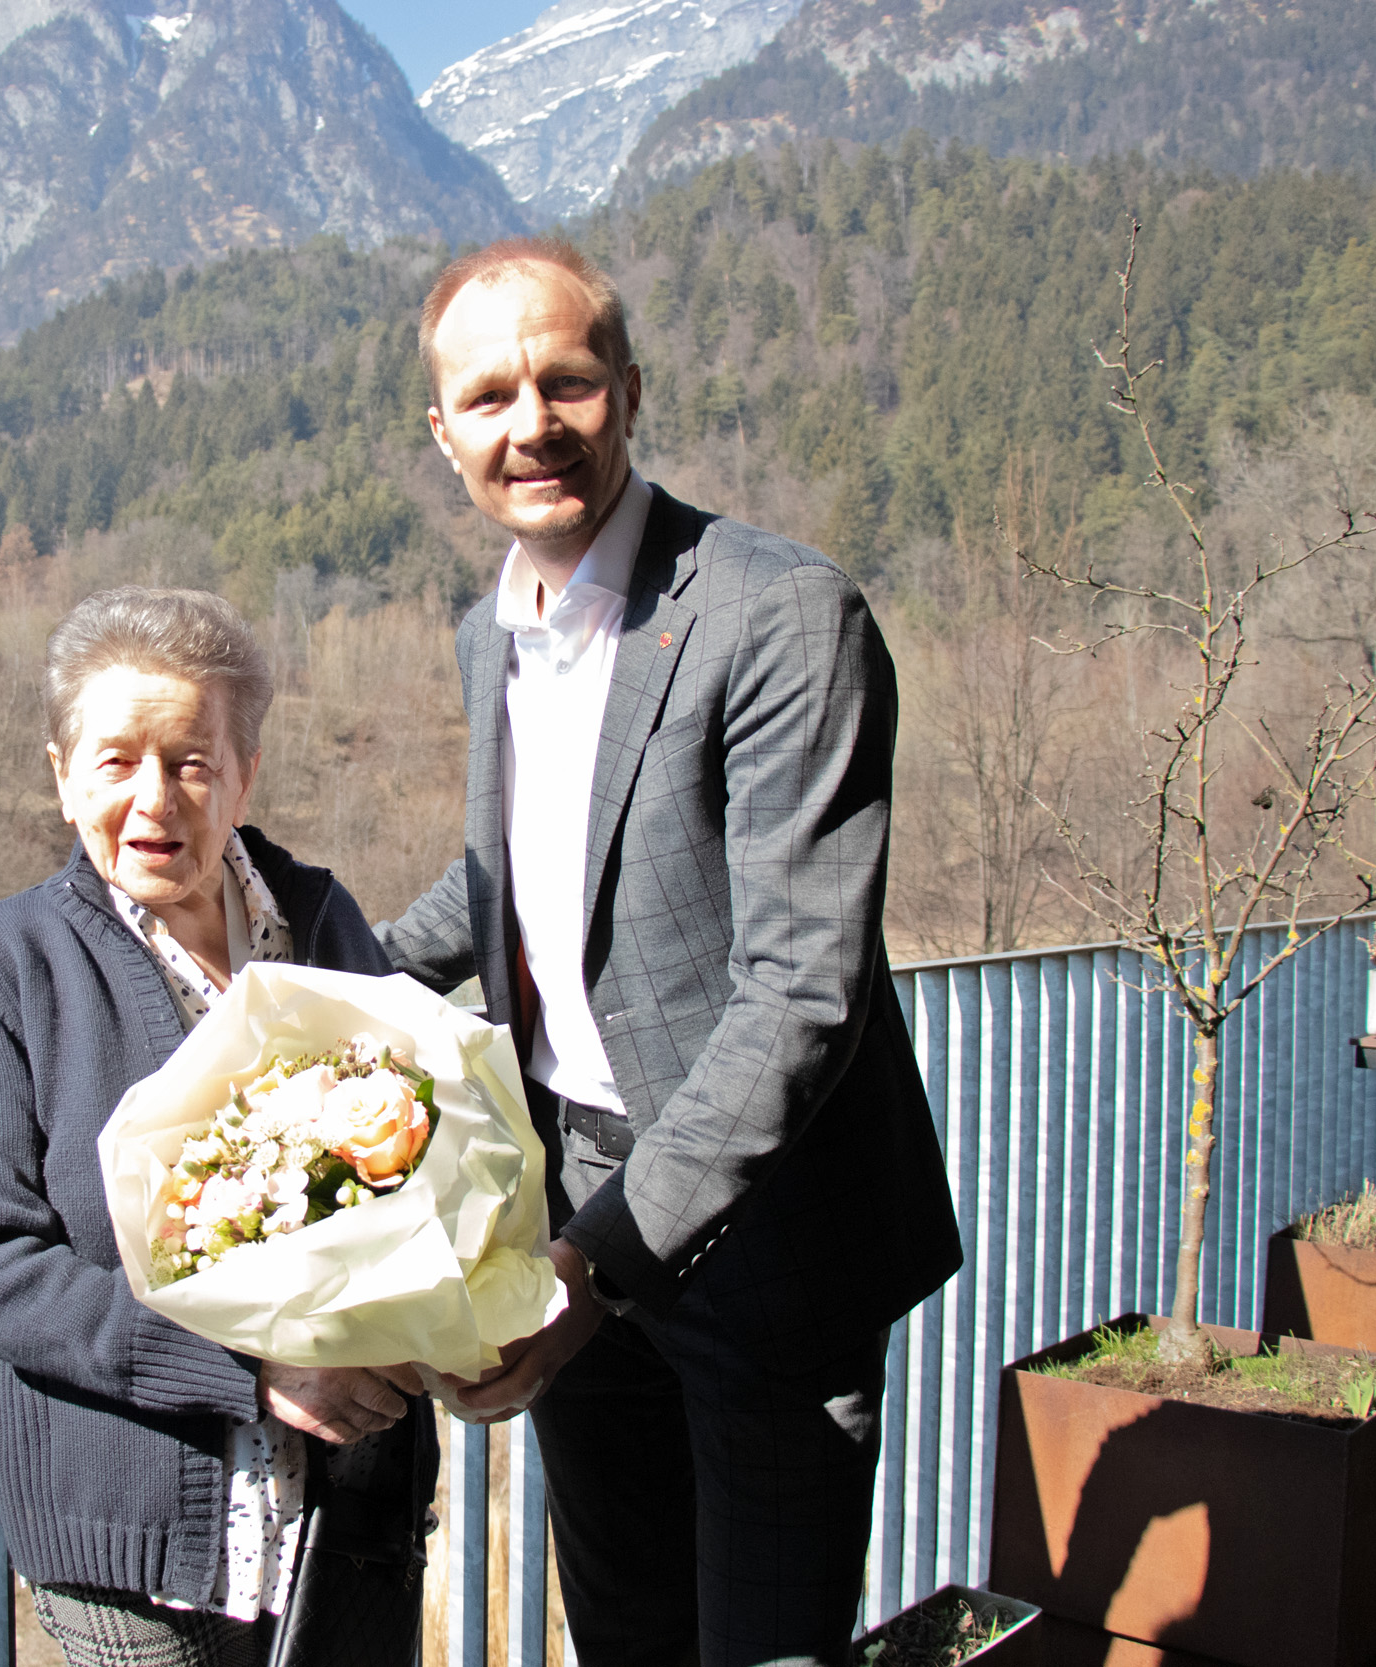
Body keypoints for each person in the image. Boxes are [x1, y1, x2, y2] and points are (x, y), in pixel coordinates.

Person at [378, 238, 964, 1667]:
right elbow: (510, 883)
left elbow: (801, 992)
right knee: (629, 1627)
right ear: (442, 432)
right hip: (569, 1182)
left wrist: (594, 1267)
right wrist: (310, 994)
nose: (533, 424)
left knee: (762, 1642)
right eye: (491, 395)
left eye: (566, 380)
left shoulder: (776, 613)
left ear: (627, 391)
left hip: (759, 1233)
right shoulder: (489, 634)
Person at [0, 587, 430, 1667]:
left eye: (193, 761)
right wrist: (254, 1365)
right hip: (132, 1548)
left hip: (345, 1531)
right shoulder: (3, 965)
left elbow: (420, 1172)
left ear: (244, 772)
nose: (155, 797)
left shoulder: (322, 926)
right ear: (64, 775)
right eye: (115, 761)